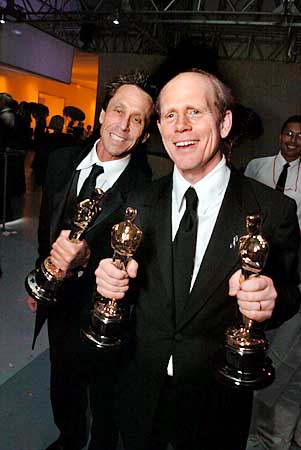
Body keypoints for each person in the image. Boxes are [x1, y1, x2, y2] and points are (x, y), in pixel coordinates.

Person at [95, 69, 301, 450]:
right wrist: (108, 280)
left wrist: (272, 300)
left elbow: (291, 291)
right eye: (170, 115)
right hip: (139, 394)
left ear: (224, 122)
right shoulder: (137, 202)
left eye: (195, 112)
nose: (181, 127)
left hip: (217, 405)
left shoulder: (273, 211)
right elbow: (119, 275)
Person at [25, 71, 156, 450]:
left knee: (104, 394)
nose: (123, 125)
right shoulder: (61, 161)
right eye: (118, 111)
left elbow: (138, 267)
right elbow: (47, 230)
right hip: (60, 305)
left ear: (145, 134)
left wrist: (86, 260)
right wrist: (41, 279)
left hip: (104, 316)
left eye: (137, 119)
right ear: (101, 114)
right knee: (61, 379)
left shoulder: (146, 193)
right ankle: (68, 437)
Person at [245, 116, 301, 450]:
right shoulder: (256, 166)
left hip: (292, 264)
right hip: (256, 261)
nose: (293, 141)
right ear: (280, 135)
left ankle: (273, 432)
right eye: (289, 134)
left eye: (300, 137)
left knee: (284, 348)